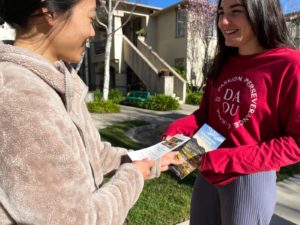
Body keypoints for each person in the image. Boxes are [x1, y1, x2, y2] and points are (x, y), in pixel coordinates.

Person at [0, 0, 182, 224]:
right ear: (49, 12)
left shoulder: (59, 79)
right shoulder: (19, 95)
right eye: (90, 18)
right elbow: (76, 220)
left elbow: (93, 154)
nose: (92, 32)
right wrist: (134, 174)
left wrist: (149, 158)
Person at [163, 0, 300, 224]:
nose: (223, 22)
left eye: (236, 12)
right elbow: (206, 114)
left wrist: (220, 159)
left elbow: (296, 141)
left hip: (250, 177)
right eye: (221, 13)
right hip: (206, 168)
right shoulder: (224, 61)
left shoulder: (290, 65)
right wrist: (177, 129)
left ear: (262, 12)